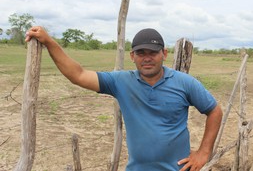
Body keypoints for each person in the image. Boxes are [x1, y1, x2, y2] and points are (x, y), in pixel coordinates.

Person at [25, 26, 223, 171]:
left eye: (153, 53)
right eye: (141, 53)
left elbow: (214, 110)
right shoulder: (121, 81)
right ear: (132, 56)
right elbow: (78, 75)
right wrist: (50, 42)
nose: (147, 58)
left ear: (164, 53)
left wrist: (204, 152)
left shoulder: (185, 83)